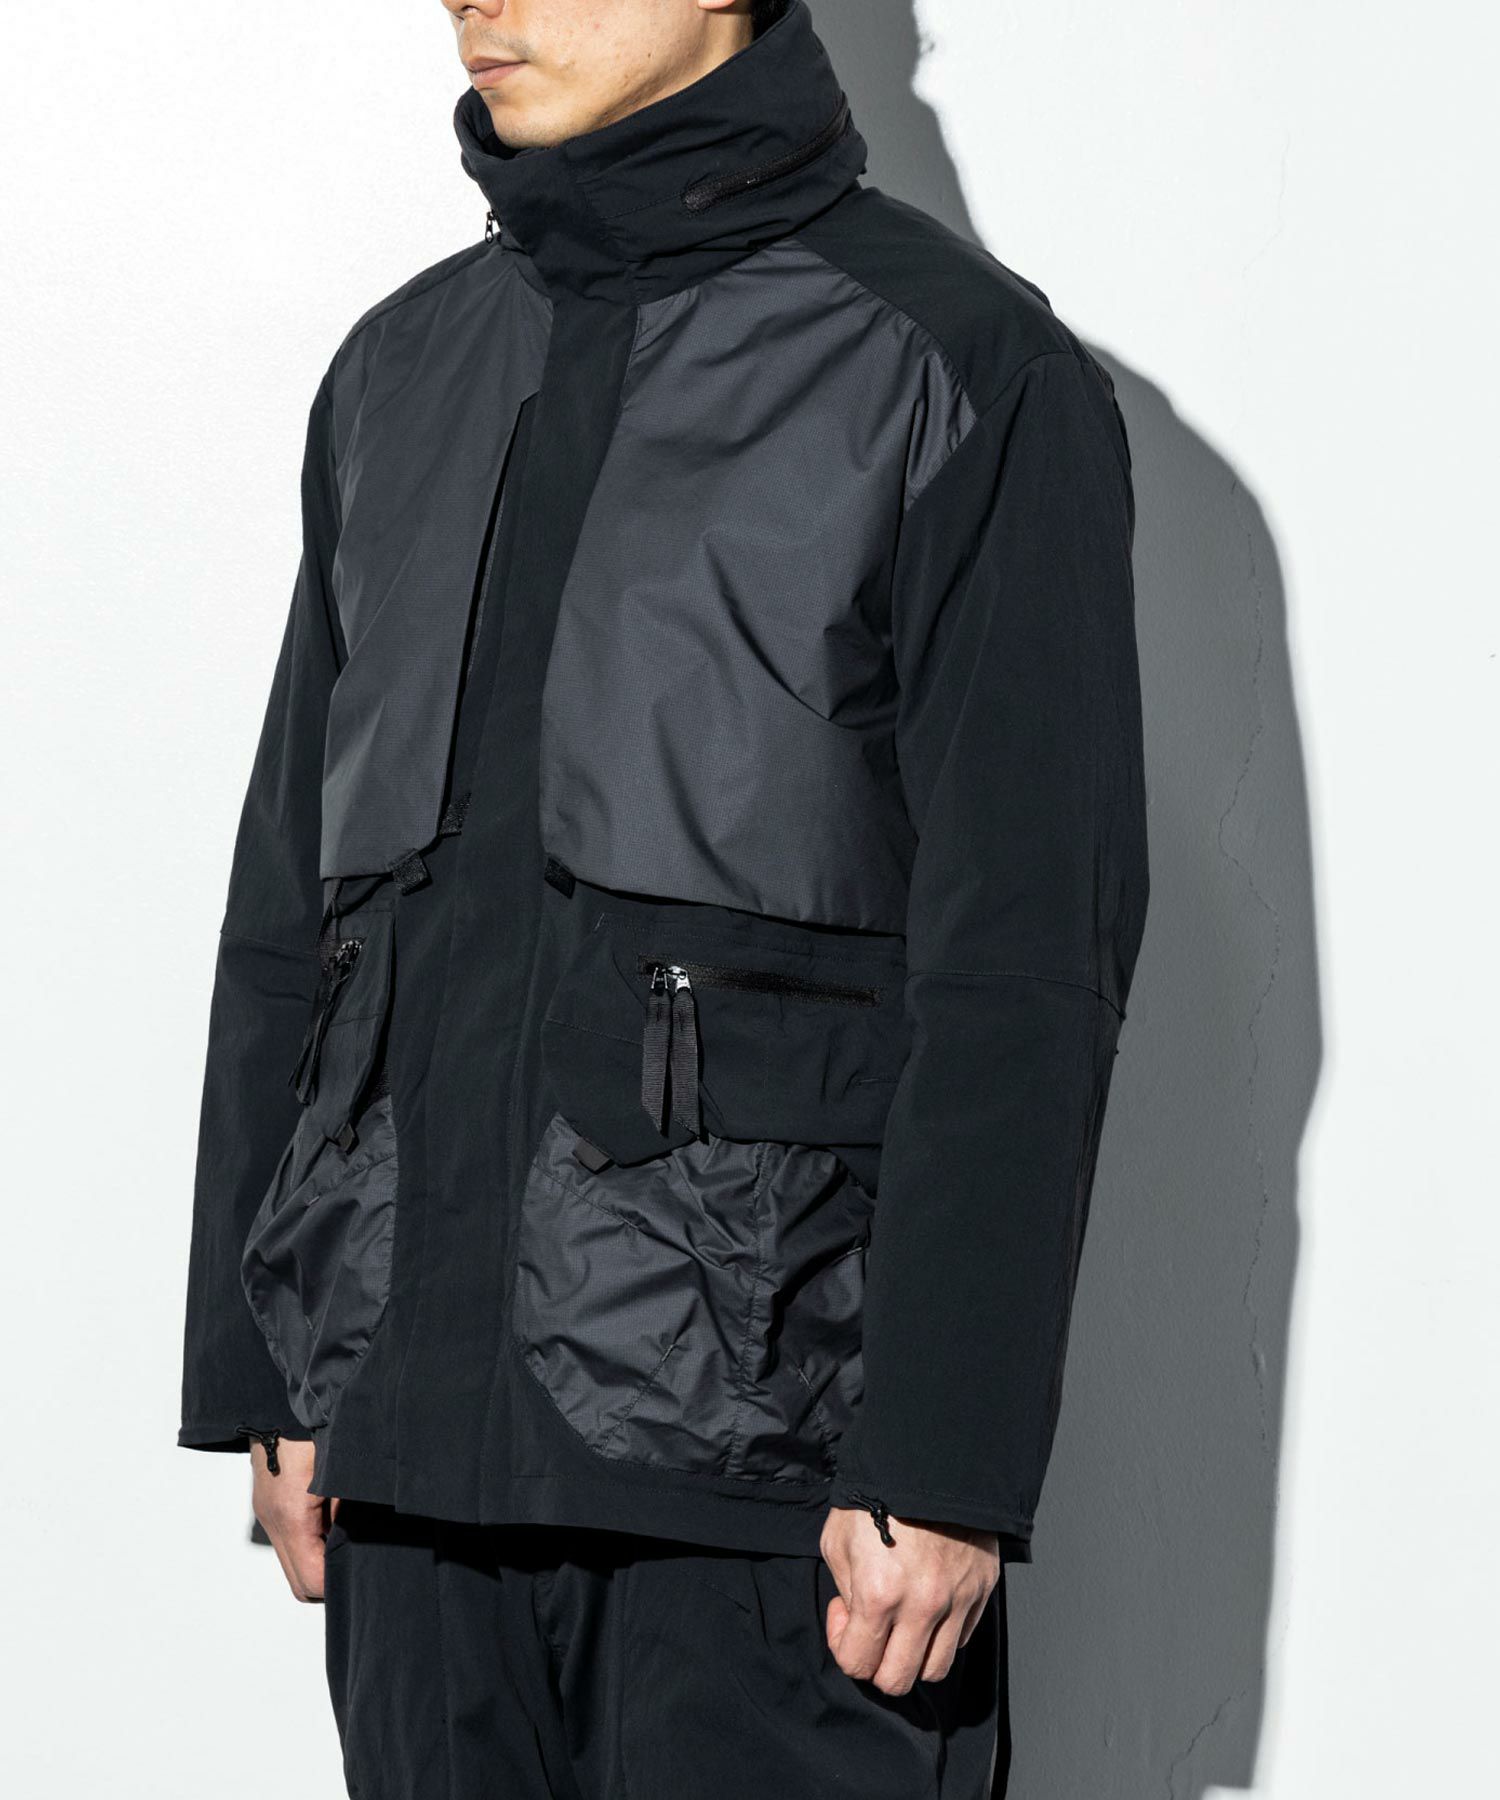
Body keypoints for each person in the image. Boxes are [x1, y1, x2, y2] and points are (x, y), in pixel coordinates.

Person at [178, 2, 1149, 1793]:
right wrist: (270, 1369)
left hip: (779, 1495)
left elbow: (1025, 961)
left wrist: (948, 1460)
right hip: (412, 1471)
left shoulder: (956, 368)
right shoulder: (396, 371)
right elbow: (287, 914)